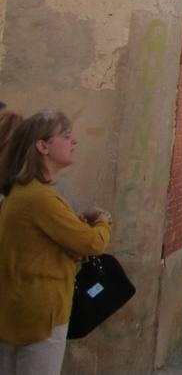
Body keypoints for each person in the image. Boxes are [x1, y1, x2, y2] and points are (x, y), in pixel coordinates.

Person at [0, 111, 111, 374]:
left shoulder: (24, 191)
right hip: (40, 314)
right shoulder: (41, 198)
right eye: (67, 136)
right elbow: (92, 243)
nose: (74, 142)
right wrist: (104, 220)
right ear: (43, 146)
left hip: (19, 308)